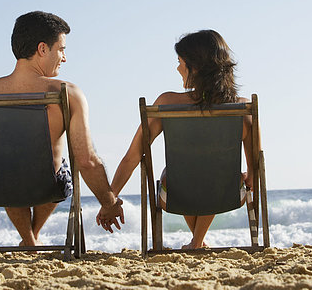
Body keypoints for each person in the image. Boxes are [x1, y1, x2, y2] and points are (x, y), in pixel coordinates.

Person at [0, 11, 124, 247]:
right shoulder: (67, 93)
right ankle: (31, 239)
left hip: (0, 186)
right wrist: (109, 203)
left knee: (10, 171)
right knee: (61, 167)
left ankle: (29, 241)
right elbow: (86, 161)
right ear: (43, 49)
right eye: (61, 49)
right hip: (49, 186)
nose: (64, 58)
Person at [100, 29, 254, 249]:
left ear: (196, 66)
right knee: (214, 174)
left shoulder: (167, 103)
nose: (178, 68)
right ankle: (197, 242)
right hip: (228, 195)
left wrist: (110, 200)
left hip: (176, 196)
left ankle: (196, 243)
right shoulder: (242, 108)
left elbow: (132, 157)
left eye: (181, 62)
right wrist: (248, 177)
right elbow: (253, 172)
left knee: (174, 174)